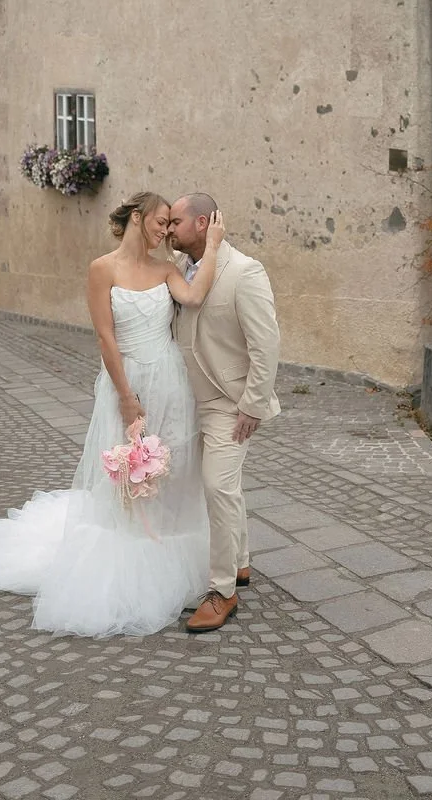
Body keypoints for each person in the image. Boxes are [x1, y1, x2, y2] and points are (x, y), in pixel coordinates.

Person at [0, 191, 224, 638]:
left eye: (170, 223)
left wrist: (212, 246)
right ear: (138, 218)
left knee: (169, 473)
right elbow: (105, 337)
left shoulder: (166, 269)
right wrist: (126, 397)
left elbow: (192, 297)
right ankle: (128, 571)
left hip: (169, 381)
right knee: (124, 481)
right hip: (125, 380)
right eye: (161, 221)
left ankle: (171, 560)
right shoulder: (102, 269)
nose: (165, 231)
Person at [168, 192, 281, 634]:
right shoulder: (179, 269)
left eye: (175, 222)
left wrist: (253, 404)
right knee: (224, 486)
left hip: (228, 403)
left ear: (201, 223)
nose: (169, 229)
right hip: (185, 401)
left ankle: (222, 591)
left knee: (217, 486)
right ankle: (240, 561)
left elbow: (266, 344)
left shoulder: (245, 271)